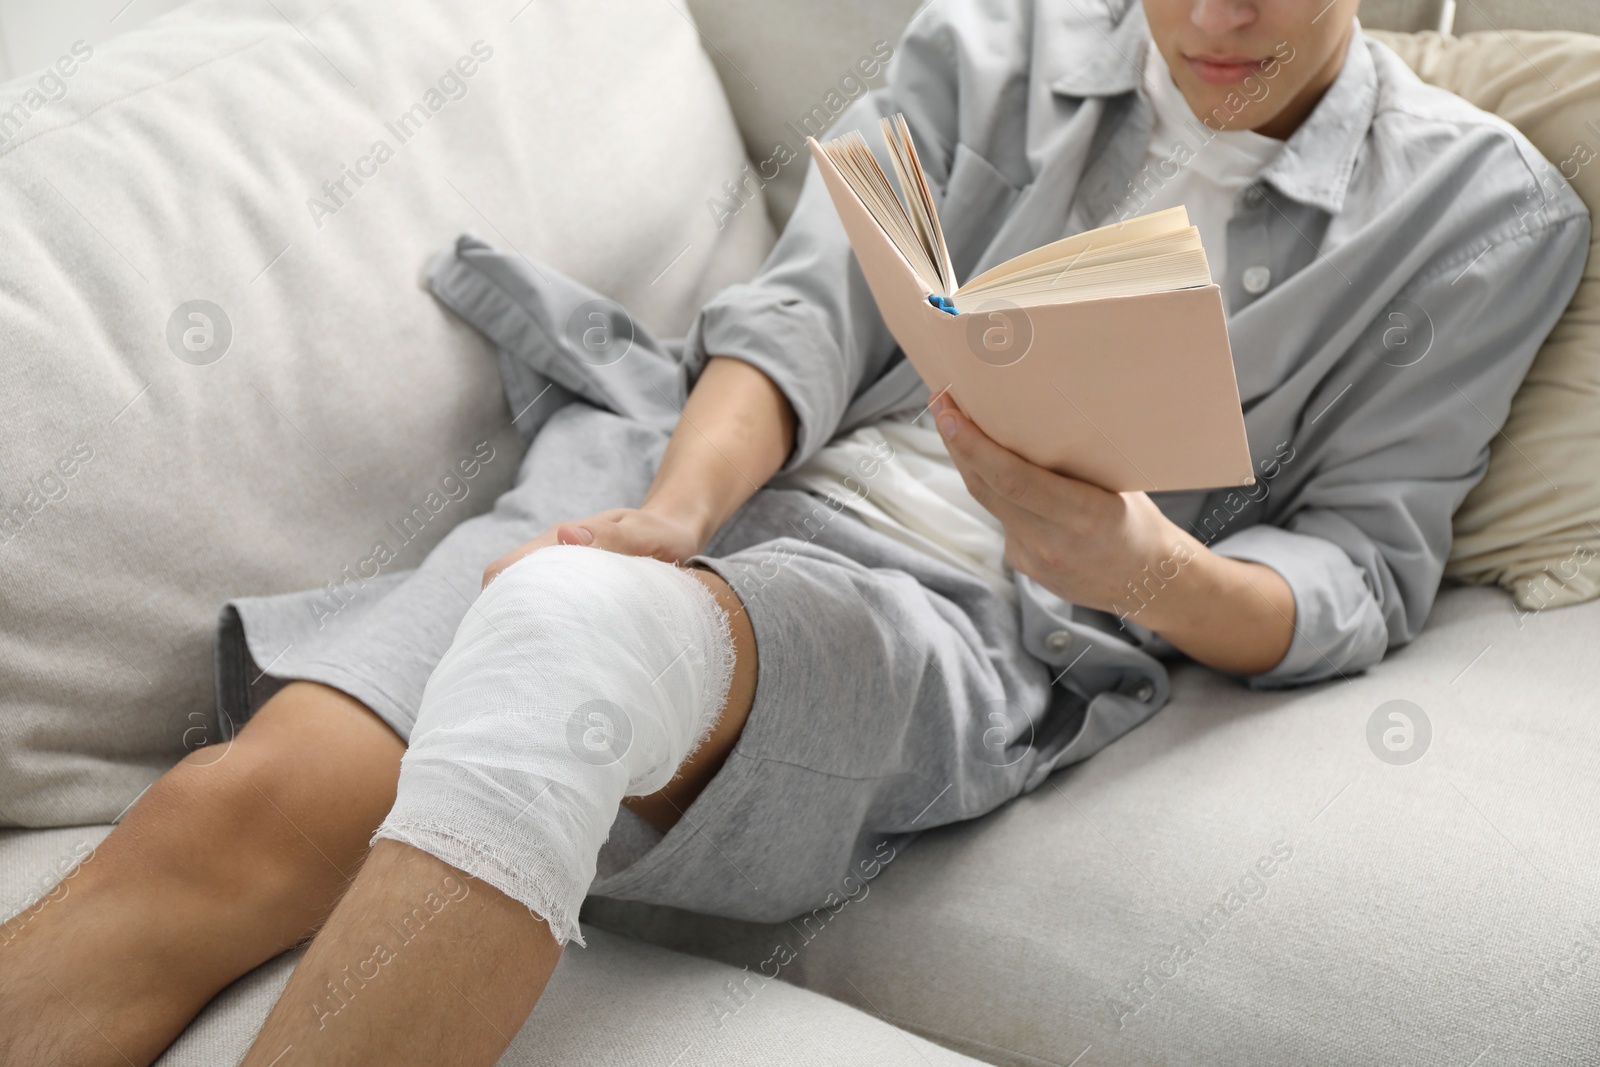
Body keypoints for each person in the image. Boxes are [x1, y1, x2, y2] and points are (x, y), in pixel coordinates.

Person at [0, 0, 1586, 1063]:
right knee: (243, 809)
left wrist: (1136, 566)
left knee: (569, 646)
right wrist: (672, 516)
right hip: (708, 471)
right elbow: (806, 313)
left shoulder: (1484, 216)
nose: (1216, 20)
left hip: (959, 619)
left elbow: (1363, 572)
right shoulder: (1000, 38)